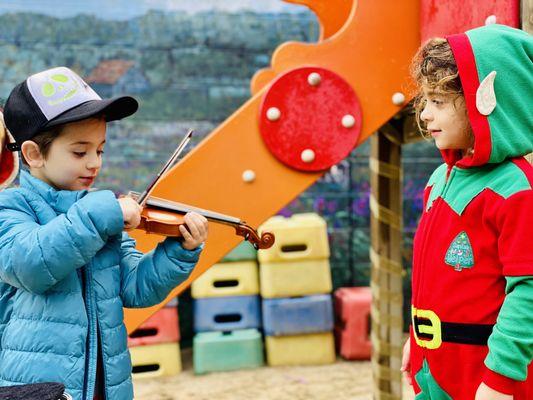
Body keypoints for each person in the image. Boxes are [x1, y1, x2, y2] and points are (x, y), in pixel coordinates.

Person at [0, 66, 208, 400]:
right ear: (33, 154)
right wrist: (103, 213)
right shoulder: (11, 209)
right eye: (79, 152)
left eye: (100, 150)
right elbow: (32, 264)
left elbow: (134, 287)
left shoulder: (97, 212)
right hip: (38, 390)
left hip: (105, 385)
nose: (94, 163)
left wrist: (178, 253)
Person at [401, 24, 533, 400]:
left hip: (481, 379)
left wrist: (499, 380)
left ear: (488, 101)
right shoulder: (438, 179)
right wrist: (417, 339)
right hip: (432, 369)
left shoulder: (517, 191)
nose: (425, 115)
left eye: (438, 103)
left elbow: (528, 291)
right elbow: (430, 280)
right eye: (425, 102)